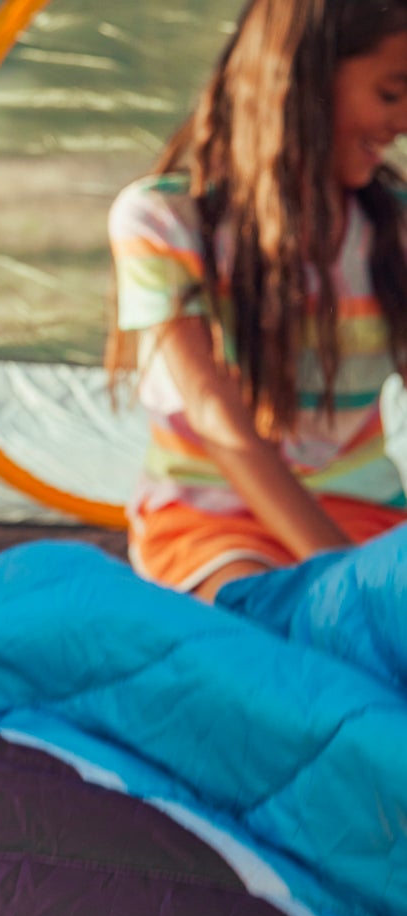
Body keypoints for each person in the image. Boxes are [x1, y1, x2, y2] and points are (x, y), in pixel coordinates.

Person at [107, 0, 407, 600]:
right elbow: (220, 422)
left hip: (366, 517)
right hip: (215, 528)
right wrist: (351, 583)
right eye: (390, 93)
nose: (402, 122)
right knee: (266, 643)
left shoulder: (392, 230)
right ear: (306, 83)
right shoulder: (163, 222)